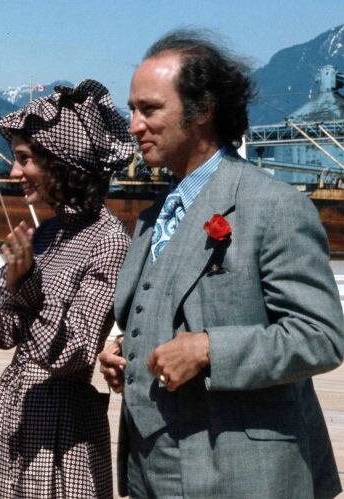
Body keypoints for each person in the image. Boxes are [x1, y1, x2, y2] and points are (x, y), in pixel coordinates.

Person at [98, 30, 344, 498]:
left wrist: (209, 349)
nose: (134, 125)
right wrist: (123, 353)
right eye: (132, 109)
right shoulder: (151, 220)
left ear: (203, 111)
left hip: (242, 474)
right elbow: (155, 310)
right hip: (150, 470)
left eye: (149, 109)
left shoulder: (272, 206)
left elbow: (322, 336)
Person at [0, 80, 133, 498]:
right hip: (14, 418)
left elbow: (75, 353)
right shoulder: (47, 233)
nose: (14, 172)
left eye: (24, 159)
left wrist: (27, 286)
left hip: (62, 433)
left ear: (61, 161)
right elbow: (1, 330)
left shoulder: (109, 241)